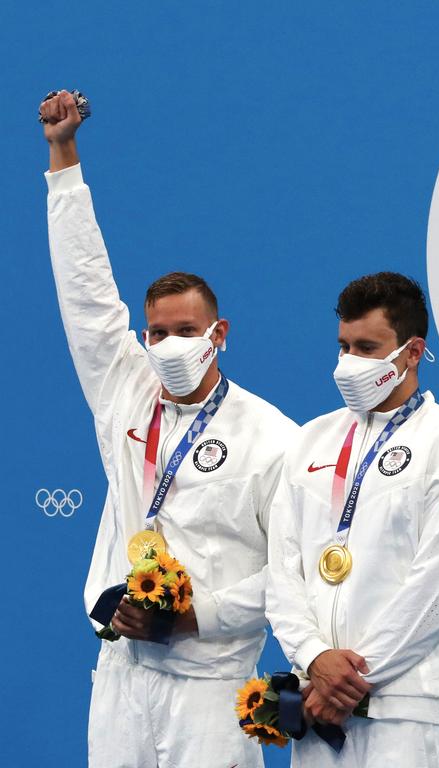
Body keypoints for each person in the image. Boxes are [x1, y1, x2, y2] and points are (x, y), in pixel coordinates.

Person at [40, 89, 298, 767]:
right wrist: (63, 157)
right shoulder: (125, 391)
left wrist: (194, 615)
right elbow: (86, 292)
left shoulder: (272, 437)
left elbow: (292, 575)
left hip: (211, 692)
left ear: (220, 334)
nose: (170, 345)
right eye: (158, 332)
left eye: (186, 332)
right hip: (120, 679)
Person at [265, 272, 439, 767]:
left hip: (404, 714)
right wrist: (312, 657)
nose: (349, 364)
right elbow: (282, 570)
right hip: (316, 704)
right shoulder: (308, 443)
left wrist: (349, 679)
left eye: (367, 348)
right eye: (344, 347)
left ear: (412, 352)